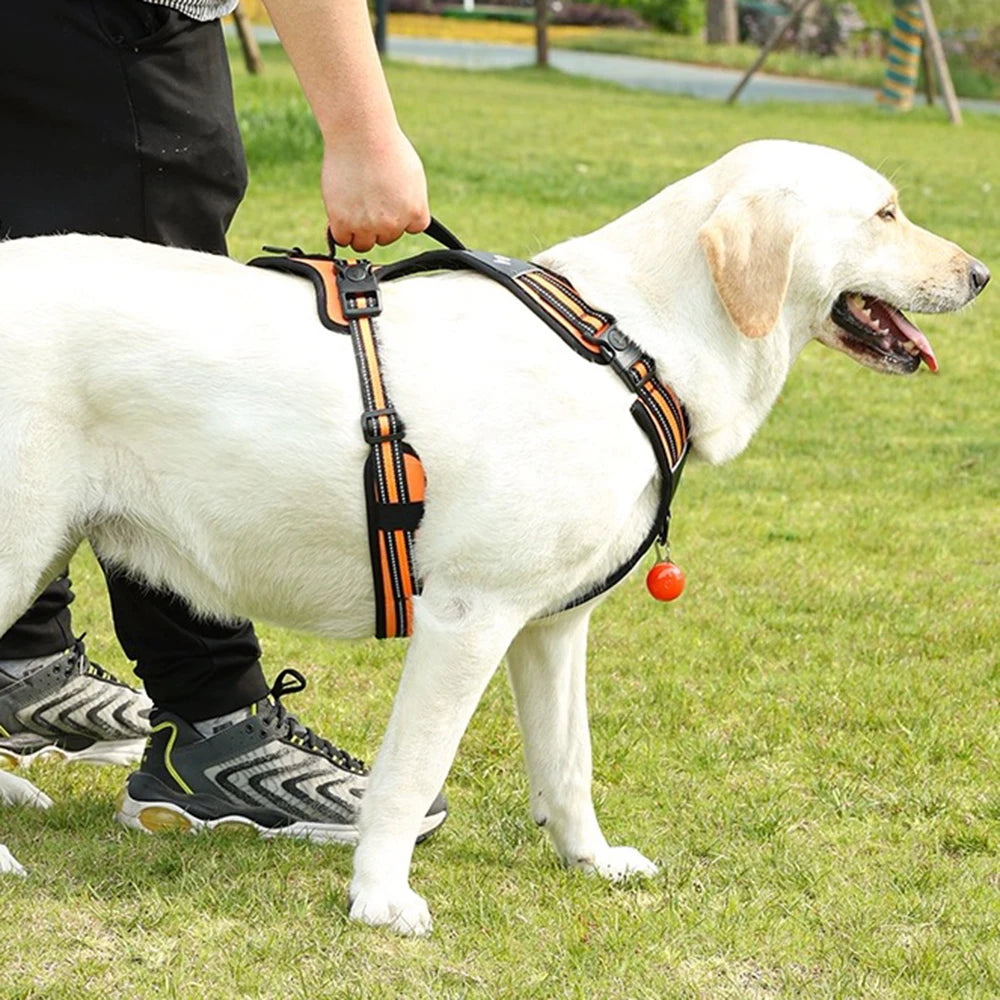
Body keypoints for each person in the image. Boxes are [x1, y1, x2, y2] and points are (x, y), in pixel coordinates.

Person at [0, 0, 446, 842]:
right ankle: (213, 727)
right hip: (111, 28)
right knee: (143, 354)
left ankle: (19, 654)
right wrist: (363, 131)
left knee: (26, 337)